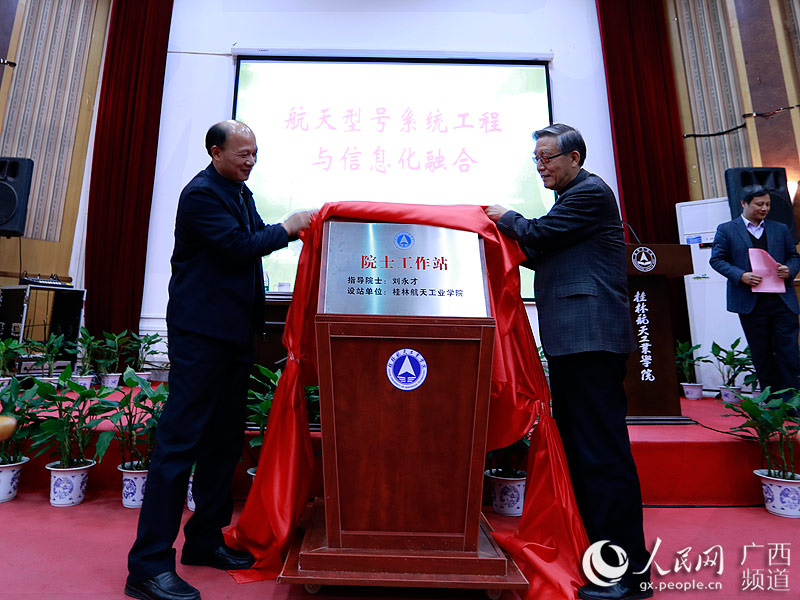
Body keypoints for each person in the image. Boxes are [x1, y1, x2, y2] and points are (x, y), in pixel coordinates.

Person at [125, 120, 316, 600]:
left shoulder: (238, 191)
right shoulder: (201, 195)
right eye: (242, 154)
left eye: (255, 153)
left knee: (222, 444)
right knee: (178, 448)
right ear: (215, 152)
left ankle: (204, 541)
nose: (251, 161)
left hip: (232, 336)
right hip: (201, 337)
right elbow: (237, 249)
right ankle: (147, 567)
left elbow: (252, 241)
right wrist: (289, 227)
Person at [484, 123, 651, 600]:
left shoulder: (589, 193)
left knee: (602, 455)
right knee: (583, 452)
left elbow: (536, 233)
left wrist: (504, 217)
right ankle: (598, 558)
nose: (541, 166)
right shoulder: (569, 200)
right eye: (536, 159)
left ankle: (629, 573)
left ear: (574, 158)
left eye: (548, 158)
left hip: (590, 342)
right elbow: (540, 249)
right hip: (574, 344)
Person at [709, 184, 800, 398]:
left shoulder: (780, 229)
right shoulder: (727, 229)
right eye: (759, 204)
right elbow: (717, 260)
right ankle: (771, 401)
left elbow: (794, 257)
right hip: (751, 303)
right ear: (744, 203)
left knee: (789, 354)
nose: (764, 208)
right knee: (762, 354)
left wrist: (789, 270)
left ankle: (792, 403)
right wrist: (741, 275)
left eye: (767, 204)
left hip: (782, 301)